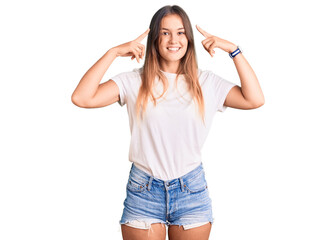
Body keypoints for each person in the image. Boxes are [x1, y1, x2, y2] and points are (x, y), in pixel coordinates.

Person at [71, 4, 264, 240]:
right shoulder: (134, 81)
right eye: (165, 32)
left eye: (180, 32)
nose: (173, 39)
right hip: (143, 190)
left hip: (191, 190)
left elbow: (254, 99)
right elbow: (81, 97)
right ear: (155, 38)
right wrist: (113, 53)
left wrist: (233, 50)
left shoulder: (207, 82)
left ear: (189, 38)